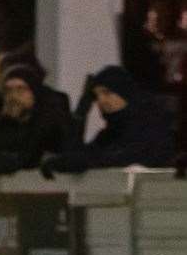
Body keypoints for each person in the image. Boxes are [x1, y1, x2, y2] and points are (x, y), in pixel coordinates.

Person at [41, 65, 177, 175]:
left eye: (107, 93)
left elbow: (127, 157)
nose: (101, 101)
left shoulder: (151, 123)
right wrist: (82, 112)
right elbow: (76, 154)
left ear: (124, 92)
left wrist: (84, 162)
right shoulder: (109, 133)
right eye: (96, 95)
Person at [0, 63, 73, 174]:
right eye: (8, 90)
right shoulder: (8, 122)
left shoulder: (50, 120)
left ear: (34, 92)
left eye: (21, 89)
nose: (13, 96)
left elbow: (28, 159)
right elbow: (5, 152)